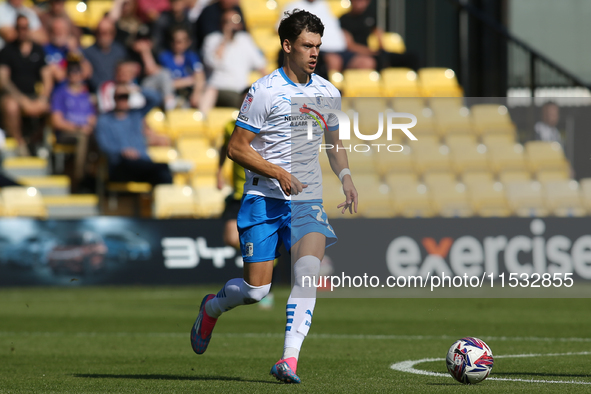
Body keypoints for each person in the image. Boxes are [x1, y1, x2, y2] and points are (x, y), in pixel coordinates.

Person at [190, 9, 358, 384]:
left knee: (307, 273)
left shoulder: (327, 92)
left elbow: (335, 144)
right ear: (287, 46)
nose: (314, 53)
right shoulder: (264, 90)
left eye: (317, 45)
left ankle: (289, 360)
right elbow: (237, 148)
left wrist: (345, 176)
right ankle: (212, 307)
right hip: (264, 200)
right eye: (306, 45)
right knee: (255, 290)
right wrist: (278, 172)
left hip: (306, 201)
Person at [95, 85, 172, 185]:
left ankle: (165, 200)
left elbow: (156, 99)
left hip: (142, 163)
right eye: (120, 97)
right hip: (120, 165)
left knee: (163, 173)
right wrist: (122, 152)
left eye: (126, 97)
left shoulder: (136, 115)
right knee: (161, 168)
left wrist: (138, 90)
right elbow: (103, 145)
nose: (123, 100)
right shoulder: (104, 120)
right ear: (114, 98)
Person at [0, 15, 53, 155]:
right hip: (14, 96)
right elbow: (4, 80)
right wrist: (21, 100)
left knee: (52, 108)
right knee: (10, 106)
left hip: (34, 94)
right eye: (19, 28)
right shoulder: (7, 51)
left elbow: (47, 77)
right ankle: (20, 144)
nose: (23, 31)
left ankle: (37, 142)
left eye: (25, 27)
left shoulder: (38, 50)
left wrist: (43, 98)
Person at [200, 9, 265, 114]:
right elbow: (213, 62)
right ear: (221, 23)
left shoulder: (245, 40)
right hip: (216, 88)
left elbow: (260, 65)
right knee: (210, 92)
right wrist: (225, 40)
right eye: (227, 21)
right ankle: (202, 123)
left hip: (238, 91)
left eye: (235, 20)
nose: (232, 25)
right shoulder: (212, 39)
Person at [50, 56, 96, 187]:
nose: (74, 74)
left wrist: (90, 126)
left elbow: (92, 117)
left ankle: (100, 176)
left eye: (77, 71)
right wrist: (79, 128)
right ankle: (79, 179)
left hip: (85, 131)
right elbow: (57, 121)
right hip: (67, 133)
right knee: (83, 137)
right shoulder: (60, 93)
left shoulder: (86, 95)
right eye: (71, 71)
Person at [339, 0, 419, 71]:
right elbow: (350, 45)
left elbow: (378, 32)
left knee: (412, 58)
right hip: (359, 54)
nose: (362, 3)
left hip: (375, 53)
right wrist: (370, 52)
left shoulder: (369, 15)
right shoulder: (344, 19)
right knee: (375, 62)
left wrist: (382, 49)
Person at [158, 27, 204, 108]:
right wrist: (189, 80)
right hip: (170, 96)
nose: (179, 44)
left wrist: (196, 94)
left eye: (182, 41)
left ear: (188, 42)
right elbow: (165, 84)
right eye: (176, 41)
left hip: (188, 94)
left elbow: (200, 78)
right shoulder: (164, 57)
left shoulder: (192, 57)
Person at [44, 17, 91, 86]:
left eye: (62, 30)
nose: (59, 33)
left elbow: (87, 73)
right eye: (56, 29)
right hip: (58, 92)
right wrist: (74, 73)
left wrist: (73, 51)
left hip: (77, 91)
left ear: (68, 32)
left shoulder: (74, 49)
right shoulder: (46, 49)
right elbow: (58, 76)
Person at [83, 18, 128, 92]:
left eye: (108, 32)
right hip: (97, 92)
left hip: (117, 91)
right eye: (100, 33)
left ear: (113, 34)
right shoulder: (87, 52)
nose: (104, 36)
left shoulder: (120, 50)